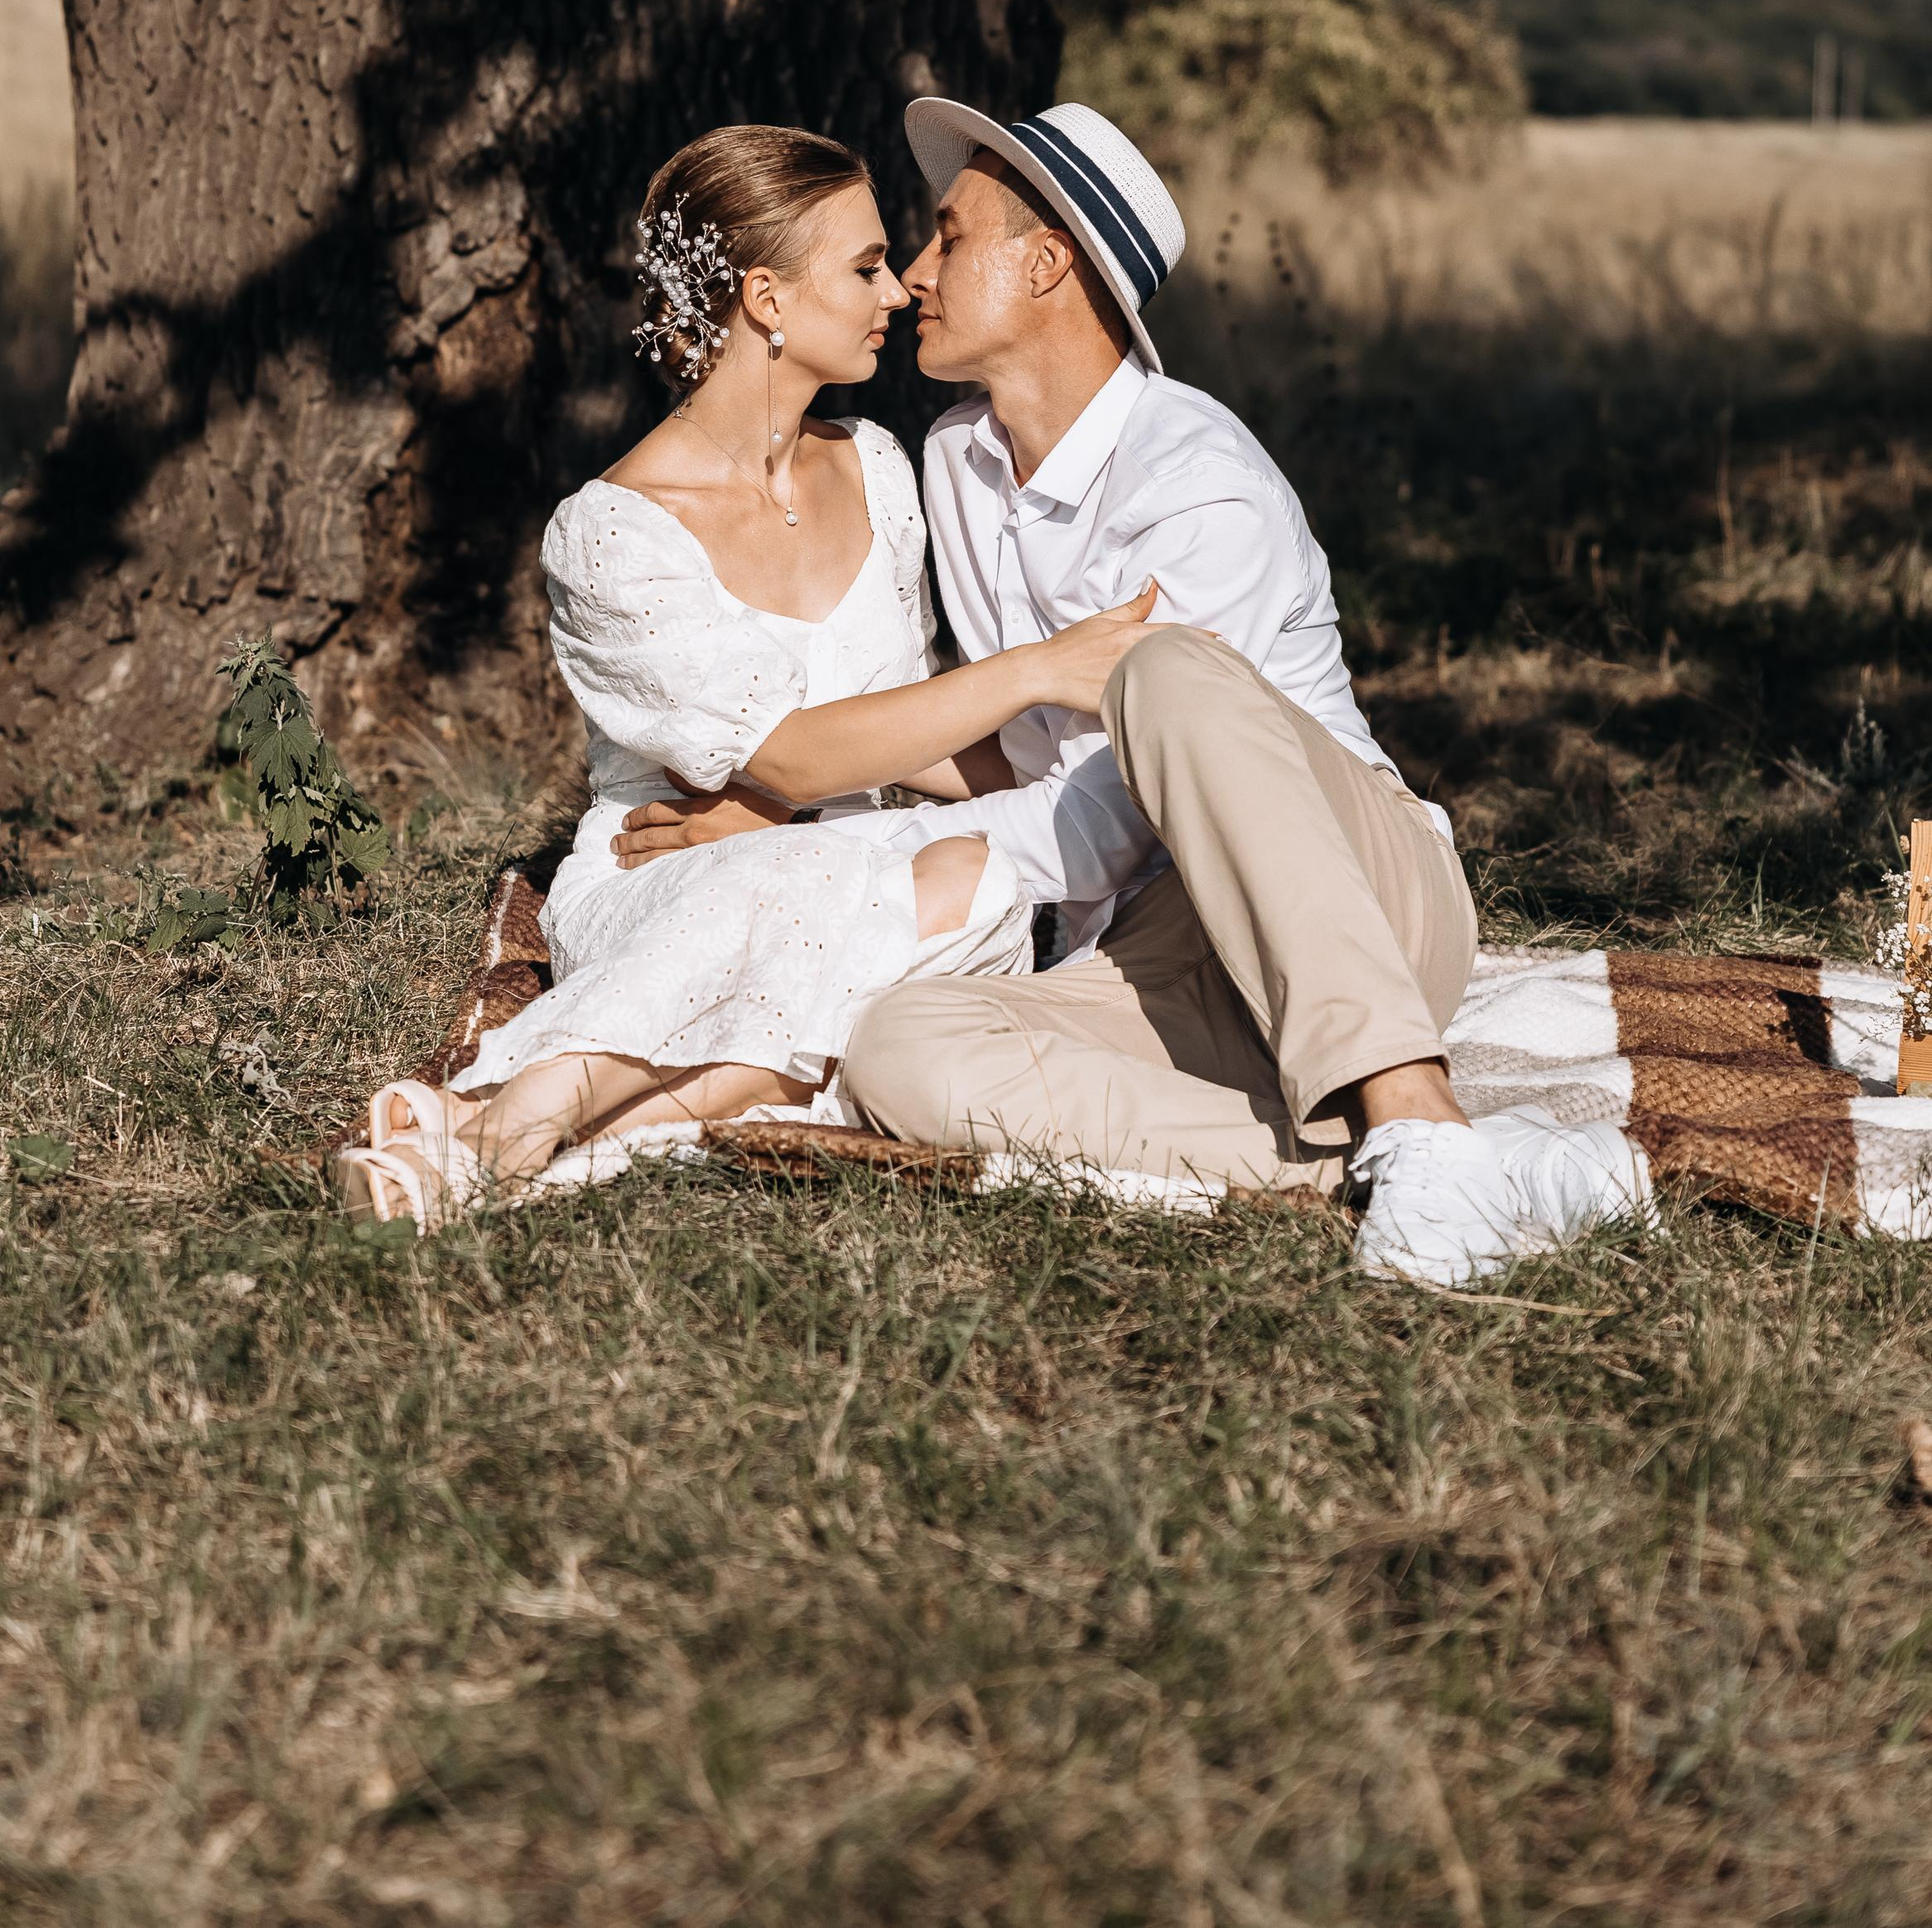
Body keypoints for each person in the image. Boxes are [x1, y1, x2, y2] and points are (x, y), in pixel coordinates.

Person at [616, 100, 1652, 1286]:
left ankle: (1413, 1109)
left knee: (1161, 672)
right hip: (1163, 944)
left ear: (1044, 262)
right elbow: (1020, 758)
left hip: (1353, 898)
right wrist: (781, 798)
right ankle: (1450, 1166)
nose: (912, 275)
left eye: (948, 239)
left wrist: (863, 866)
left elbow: (1105, 823)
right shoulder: (957, 461)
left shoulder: (1195, 482)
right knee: (898, 1055)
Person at [333, 123, 1159, 1228]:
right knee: (802, 893)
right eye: (865, 267)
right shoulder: (613, 534)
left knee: (992, 891)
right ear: (766, 298)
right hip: (674, 871)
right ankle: (523, 1119)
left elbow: (906, 732)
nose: (900, 288)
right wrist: (1035, 672)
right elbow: (788, 754)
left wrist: (1095, 775)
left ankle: (484, 1147)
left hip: (869, 861)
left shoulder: (879, 465)